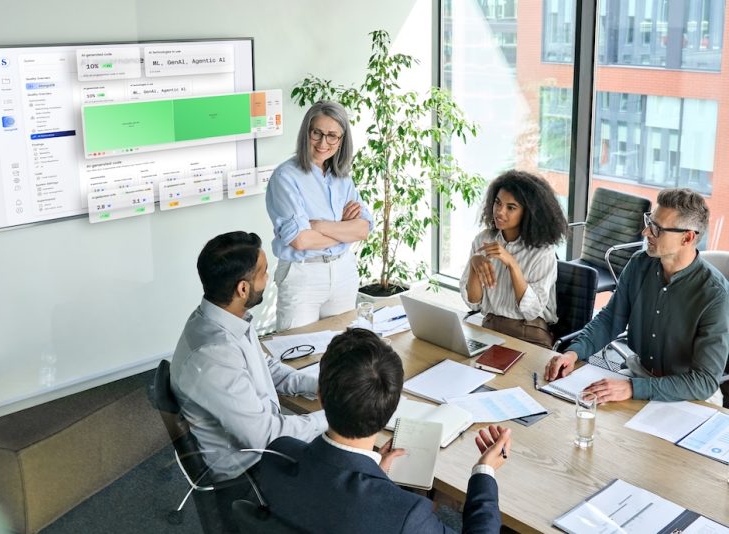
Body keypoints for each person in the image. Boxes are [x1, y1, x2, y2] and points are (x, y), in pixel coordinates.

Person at [257, 328, 511, 533]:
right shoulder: (405, 515)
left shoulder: (276, 455)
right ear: (391, 410)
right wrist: (484, 472)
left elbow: (330, 501)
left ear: (321, 397)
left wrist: (376, 475)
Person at [169, 231, 327, 532]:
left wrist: (314, 385)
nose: (270, 279)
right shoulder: (213, 355)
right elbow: (265, 437)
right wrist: (333, 418)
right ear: (243, 288)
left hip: (258, 445)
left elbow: (264, 367)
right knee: (350, 467)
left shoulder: (222, 317)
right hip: (249, 476)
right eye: (264, 273)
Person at [544, 188, 729, 405]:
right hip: (638, 375)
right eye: (649, 222)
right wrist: (573, 353)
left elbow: (704, 382)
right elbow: (610, 320)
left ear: (687, 238)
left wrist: (633, 388)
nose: (645, 232)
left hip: (688, 395)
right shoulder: (639, 264)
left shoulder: (715, 295)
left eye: (657, 229)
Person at [266, 100, 373, 332]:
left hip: (343, 272)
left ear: (342, 140)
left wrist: (319, 225)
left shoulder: (343, 177)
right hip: (303, 274)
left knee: (343, 353)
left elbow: (363, 229)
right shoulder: (286, 177)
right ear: (307, 132)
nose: (323, 142)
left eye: (332, 135)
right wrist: (344, 229)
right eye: (317, 133)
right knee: (298, 353)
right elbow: (300, 240)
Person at [460, 170, 568, 348]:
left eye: (511, 207)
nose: (500, 212)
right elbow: (474, 303)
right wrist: (474, 265)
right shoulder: (483, 240)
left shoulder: (542, 252)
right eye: (497, 203)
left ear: (529, 213)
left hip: (529, 333)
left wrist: (512, 264)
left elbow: (532, 311)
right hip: (490, 327)